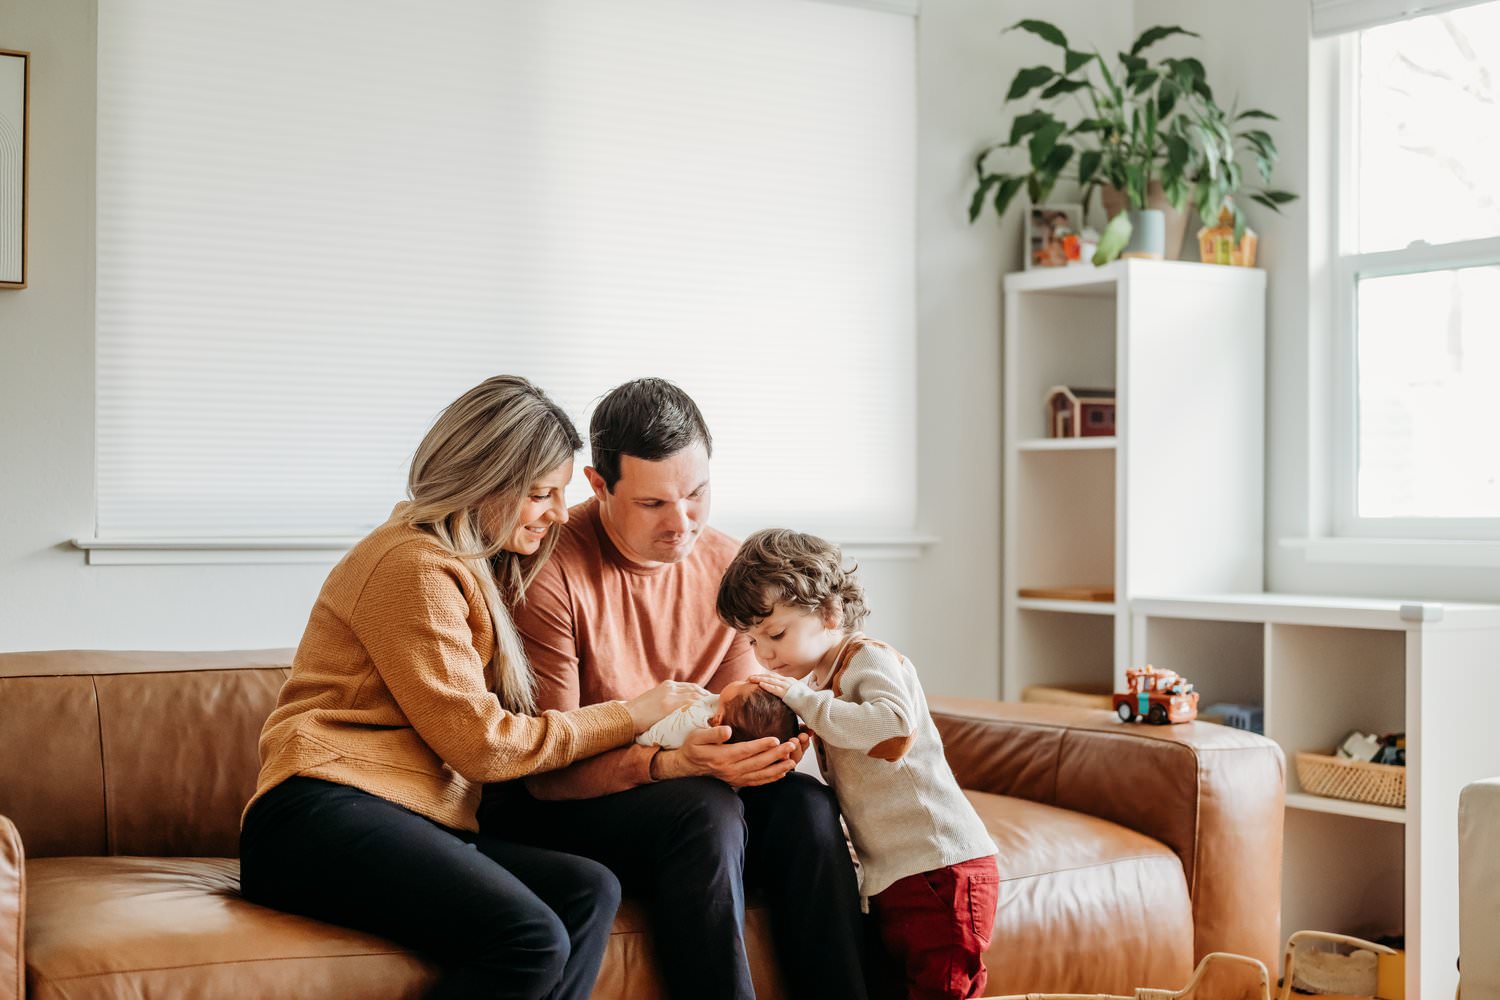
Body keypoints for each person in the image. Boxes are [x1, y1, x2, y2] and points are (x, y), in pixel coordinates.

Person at [238, 375, 706, 1000]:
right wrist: (630, 714)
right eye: (539, 494)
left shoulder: (475, 568)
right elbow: (483, 745)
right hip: (314, 819)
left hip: (408, 817)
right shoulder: (412, 565)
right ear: (482, 481)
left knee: (589, 890)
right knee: (530, 937)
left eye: (560, 493)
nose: (557, 514)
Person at [481, 377, 869, 1000]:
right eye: (652, 503)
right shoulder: (546, 573)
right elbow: (546, 773)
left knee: (806, 807)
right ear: (599, 485)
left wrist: (764, 753)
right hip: (564, 804)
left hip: (691, 792)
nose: (681, 523)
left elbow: (745, 712)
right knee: (703, 810)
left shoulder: (735, 570)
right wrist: (671, 764)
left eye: (696, 494)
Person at [717, 528, 1000, 1000]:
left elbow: (893, 732)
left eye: (776, 634)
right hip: (895, 874)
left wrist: (805, 702)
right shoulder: (820, 682)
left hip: (940, 866)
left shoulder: (867, 657)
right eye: (752, 642)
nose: (764, 654)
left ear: (830, 613)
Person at [636, 677, 801, 749]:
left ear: (717, 720)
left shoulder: (694, 720)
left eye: (743, 684)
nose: (749, 678)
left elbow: (655, 736)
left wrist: (637, 736)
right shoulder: (722, 709)